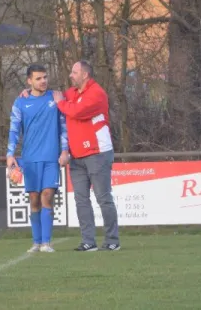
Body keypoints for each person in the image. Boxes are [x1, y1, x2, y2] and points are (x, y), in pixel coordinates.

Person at [52, 60, 120, 252]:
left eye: (74, 72)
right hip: (77, 155)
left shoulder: (97, 93)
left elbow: (76, 111)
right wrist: (30, 94)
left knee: (103, 197)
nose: (71, 75)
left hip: (97, 153)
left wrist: (60, 103)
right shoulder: (72, 93)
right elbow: (55, 98)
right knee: (81, 199)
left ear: (85, 75)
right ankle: (88, 241)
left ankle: (112, 240)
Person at [7, 64, 70, 253]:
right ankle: (36, 242)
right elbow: (14, 130)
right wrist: (10, 154)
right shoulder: (20, 102)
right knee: (34, 199)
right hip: (30, 158)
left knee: (47, 196)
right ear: (29, 81)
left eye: (45, 77)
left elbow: (63, 126)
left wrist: (65, 150)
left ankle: (46, 243)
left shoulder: (56, 98)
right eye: (38, 78)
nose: (43, 81)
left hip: (51, 157)